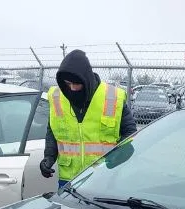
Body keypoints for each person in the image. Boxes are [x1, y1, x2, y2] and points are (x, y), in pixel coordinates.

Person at [39, 49, 137, 190]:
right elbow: (52, 132)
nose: (72, 89)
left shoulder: (112, 97)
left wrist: (118, 157)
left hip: (104, 178)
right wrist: (49, 157)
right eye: (67, 84)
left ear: (86, 79)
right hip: (68, 181)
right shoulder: (57, 97)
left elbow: (130, 133)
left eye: (76, 84)